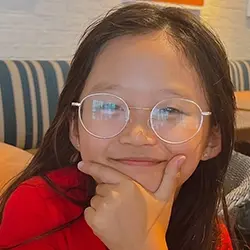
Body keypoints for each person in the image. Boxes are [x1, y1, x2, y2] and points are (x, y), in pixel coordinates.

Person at [0, 2, 236, 250]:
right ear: (74, 128)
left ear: (212, 138)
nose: (137, 136)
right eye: (109, 107)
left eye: (170, 110)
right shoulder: (38, 208)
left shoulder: (209, 232)